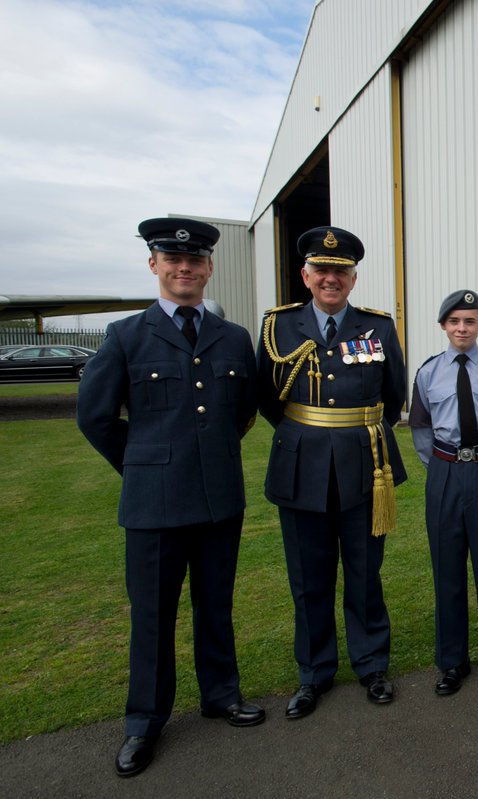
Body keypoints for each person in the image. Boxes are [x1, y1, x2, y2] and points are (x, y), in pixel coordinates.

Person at [78, 217, 263, 778]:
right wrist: (143, 464)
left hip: (218, 499)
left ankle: (221, 695)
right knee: (153, 616)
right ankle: (144, 720)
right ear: (154, 264)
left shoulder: (233, 337)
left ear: (209, 268)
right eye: (173, 260)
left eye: (195, 261)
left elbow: (242, 411)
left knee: (216, 604)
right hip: (153, 505)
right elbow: (95, 417)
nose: (185, 268)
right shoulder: (126, 335)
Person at [256, 226, 407, 716]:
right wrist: (310, 433)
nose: (330, 279)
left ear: (353, 278)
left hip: (364, 467)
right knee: (309, 579)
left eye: (340, 271)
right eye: (321, 270)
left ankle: (371, 665)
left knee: (364, 574)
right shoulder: (278, 326)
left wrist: (351, 434)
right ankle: (314, 673)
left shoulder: (377, 327)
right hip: (301, 467)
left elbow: (393, 397)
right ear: (305, 275)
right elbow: (267, 398)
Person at [410, 290, 478, 695]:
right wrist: (444, 465)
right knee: (447, 568)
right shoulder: (427, 373)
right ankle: (451, 663)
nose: (462, 328)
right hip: (444, 472)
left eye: (470, 321)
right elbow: (421, 429)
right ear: (443, 325)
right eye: (455, 321)